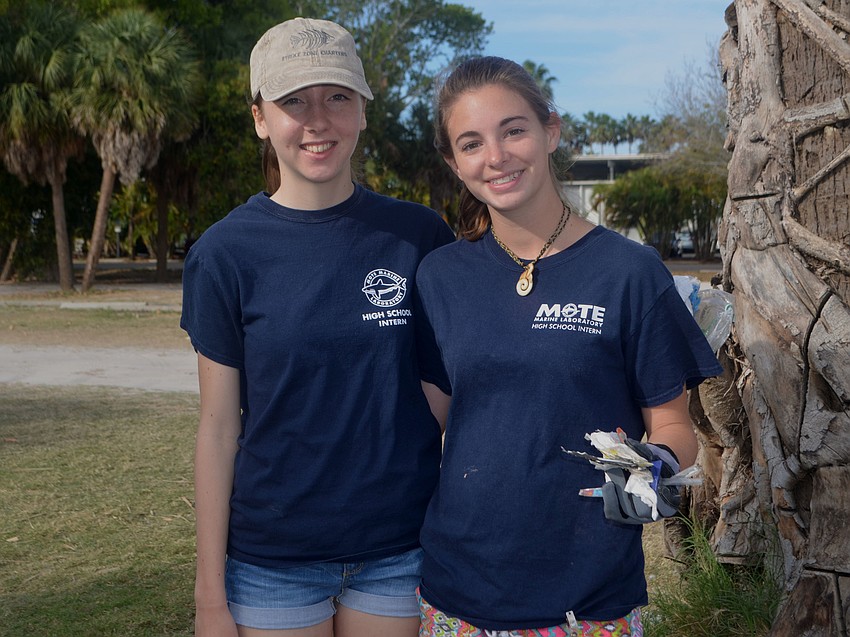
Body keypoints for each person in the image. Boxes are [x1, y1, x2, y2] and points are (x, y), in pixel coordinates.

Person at [413, 56, 724, 636]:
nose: (496, 156)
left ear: (550, 130)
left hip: (591, 599)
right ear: (454, 163)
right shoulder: (439, 276)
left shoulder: (630, 272)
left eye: (513, 130)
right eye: (471, 143)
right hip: (457, 592)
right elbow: (424, 425)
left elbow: (674, 428)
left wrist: (645, 475)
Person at [180, 17, 454, 637]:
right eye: (294, 102)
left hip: (400, 548)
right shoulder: (223, 253)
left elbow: (442, 384)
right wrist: (209, 597)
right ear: (260, 119)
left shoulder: (418, 236)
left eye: (337, 97)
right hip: (271, 559)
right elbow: (218, 429)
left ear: (363, 111)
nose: (318, 120)